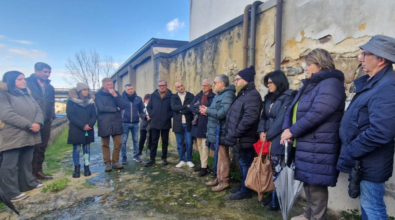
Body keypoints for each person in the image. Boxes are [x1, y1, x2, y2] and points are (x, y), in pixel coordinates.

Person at [281, 49, 346, 220]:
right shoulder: (311, 85)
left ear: (319, 65)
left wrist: (292, 131)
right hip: (307, 142)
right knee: (308, 180)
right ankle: (309, 214)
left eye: (308, 65)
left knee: (316, 184)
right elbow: (292, 109)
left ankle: (318, 217)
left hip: (320, 143)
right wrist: (286, 130)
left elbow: (318, 113)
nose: (305, 68)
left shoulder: (331, 84)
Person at [337, 35, 395, 220]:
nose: (360, 59)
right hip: (364, 160)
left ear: (381, 59)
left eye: (365, 54)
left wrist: (352, 149)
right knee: (368, 208)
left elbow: (381, 131)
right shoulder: (373, 83)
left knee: (373, 208)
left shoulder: (387, 86)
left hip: (371, 160)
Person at [0, 71, 44, 202]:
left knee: (26, 160)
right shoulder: (3, 94)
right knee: (10, 164)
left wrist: (38, 123)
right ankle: (10, 192)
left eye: (24, 79)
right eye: (19, 79)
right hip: (13, 134)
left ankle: (27, 183)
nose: (23, 81)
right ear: (11, 80)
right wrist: (29, 124)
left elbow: (39, 110)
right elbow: (6, 114)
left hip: (30, 133)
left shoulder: (27, 94)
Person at [257, 70, 296, 210]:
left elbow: (281, 120)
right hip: (268, 138)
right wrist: (261, 131)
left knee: (277, 169)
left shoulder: (288, 97)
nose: (268, 85)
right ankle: (272, 195)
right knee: (270, 168)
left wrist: (267, 135)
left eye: (270, 82)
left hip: (279, 139)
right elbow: (263, 117)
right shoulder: (268, 98)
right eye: (267, 83)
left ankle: (277, 199)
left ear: (279, 82)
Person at [225, 66, 262, 200]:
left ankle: (245, 190)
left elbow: (250, 118)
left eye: (238, 79)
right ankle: (243, 186)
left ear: (245, 80)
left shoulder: (252, 95)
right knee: (242, 163)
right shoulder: (243, 94)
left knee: (245, 163)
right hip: (239, 138)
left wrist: (236, 132)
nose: (235, 82)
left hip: (245, 138)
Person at [200, 74, 236, 192]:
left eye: (215, 83)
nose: (214, 85)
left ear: (222, 84)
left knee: (223, 156)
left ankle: (224, 181)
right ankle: (218, 178)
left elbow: (223, 112)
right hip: (217, 130)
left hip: (222, 130)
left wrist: (208, 110)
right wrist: (207, 111)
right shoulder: (220, 95)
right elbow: (216, 110)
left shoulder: (228, 95)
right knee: (219, 157)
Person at [26, 62, 55, 180]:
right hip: (31, 120)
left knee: (42, 146)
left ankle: (38, 171)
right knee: (31, 147)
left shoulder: (50, 87)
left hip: (46, 120)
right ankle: (29, 175)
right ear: (36, 71)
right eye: (45, 72)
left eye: (49, 72)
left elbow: (51, 102)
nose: (47, 75)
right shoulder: (27, 83)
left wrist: (51, 116)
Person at [66, 83, 96, 178]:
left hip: (88, 129)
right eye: (84, 90)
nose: (86, 92)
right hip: (76, 129)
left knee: (87, 150)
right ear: (79, 91)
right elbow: (70, 115)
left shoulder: (90, 102)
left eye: (87, 90)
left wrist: (89, 125)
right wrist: (82, 125)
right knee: (77, 150)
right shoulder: (71, 101)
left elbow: (94, 115)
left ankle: (86, 167)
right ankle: (77, 169)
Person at [95, 78, 125, 172]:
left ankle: (115, 161)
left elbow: (123, 106)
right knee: (105, 144)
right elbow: (101, 108)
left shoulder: (116, 94)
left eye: (111, 84)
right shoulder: (98, 95)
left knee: (118, 143)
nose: (110, 86)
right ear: (103, 85)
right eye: (108, 85)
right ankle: (107, 163)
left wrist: (115, 95)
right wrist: (116, 109)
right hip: (104, 122)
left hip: (116, 122)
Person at [189, 79, 215, 176]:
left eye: (205, 85)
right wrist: (200, 110)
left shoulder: (213, 96)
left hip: (206, 124)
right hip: (197, 123)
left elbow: (210, 107)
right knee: (199, 145)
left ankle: (204, 167)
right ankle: (203, 164)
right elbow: (191, 107)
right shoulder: (198, 95)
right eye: (202, 85)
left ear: (210, 86)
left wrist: (198, 105)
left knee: (204, 146)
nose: (203, 87)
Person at [145, 80, 173, 167]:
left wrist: (168, 116)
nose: (162, 87)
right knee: (154, 141)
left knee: (165, 141)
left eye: (163, 85)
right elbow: (149, 107)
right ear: (158, 86)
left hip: (166, 122)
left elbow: (173, 108)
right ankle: (152, 158)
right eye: (160, 85)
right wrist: (152, 115)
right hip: (155, 122)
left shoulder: (170, 95)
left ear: (166, 86)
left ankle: (164, 158)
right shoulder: (153, 95)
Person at [171, 81, 195, 168]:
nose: (180, 87)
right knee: (179, 143)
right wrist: (186, 106)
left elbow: (192, 107)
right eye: (178, 87)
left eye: (181, 85)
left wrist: (181, 110)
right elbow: (174, 107)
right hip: (178, 123)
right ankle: (182, 160)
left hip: (188, 123)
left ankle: (189, 160)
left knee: (189, 142)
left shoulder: (190, 96)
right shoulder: (174, 97)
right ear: (176, 88)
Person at [121, 84, 144, 164]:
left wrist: (145, 116)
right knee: (123, 141)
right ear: (125, 90)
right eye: (128, 89)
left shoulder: (138, 99)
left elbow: (141, 110)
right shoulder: (122, 99)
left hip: (135, 123)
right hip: (124, 123)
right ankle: (124, 158)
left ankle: (136, 156)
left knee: (135, 140)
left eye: (132, 88)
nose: (131, 90)